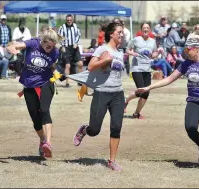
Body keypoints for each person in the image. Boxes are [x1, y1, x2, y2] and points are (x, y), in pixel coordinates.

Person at [136, 38, 199, 171]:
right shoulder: (186, 64)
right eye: (185, 49)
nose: (185, 51)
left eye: (188, 49)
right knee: (190, 127)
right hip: (193, 101)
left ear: (197, 49)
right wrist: (148, 87)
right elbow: (169, 79)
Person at [68, 22, 125, 171]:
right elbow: (91, 67)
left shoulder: (120, 52)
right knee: (95, 129)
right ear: (111, 34)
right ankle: (84, 130)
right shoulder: (102, 49)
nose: (122, 34)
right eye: (119, 32)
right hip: (102, 93)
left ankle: (112, 161)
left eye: (122, 32)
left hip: (118, 94)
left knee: (116, 127)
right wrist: (105, 60)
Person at [6, 28, 64, 159]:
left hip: (45, 82)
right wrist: (15, 51)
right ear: (42, 41)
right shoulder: (33, 43)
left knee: (44, 110)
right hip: (29, 84)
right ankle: (43, 141)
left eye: (52, 47)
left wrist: (57, 74)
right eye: (47, 46)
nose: (49, 49)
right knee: (35, 119)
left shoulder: (55, 51)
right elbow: (11, 46)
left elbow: (52, 65)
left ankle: (48, 143)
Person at [124, 22, 162, 119]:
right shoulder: (136, 40)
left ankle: (136, 113)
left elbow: (152, 55)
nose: (146, 29)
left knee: (146, 93)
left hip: (147, 69)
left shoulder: (152, 41)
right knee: (141, 90)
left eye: (147, 28)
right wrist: (134, 54)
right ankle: (126, 100)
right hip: (137, 68)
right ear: (141, 30)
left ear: (149, 30)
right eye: (144, 28)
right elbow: (127, 50)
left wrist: (158, 53)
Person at [58, 14, 83, 87]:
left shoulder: (75, 26)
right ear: (66, 20)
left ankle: (80, 81)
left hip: (75, 47)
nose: (69, 21)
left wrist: (76, 43)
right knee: (68, 65)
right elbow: (59, 37)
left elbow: (79, 35)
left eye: (70, 20)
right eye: (67, 20)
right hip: (66, 48)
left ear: (72, 20)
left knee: (80, 64)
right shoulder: (62, 27)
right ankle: (67, 82)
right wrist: (63, 45)